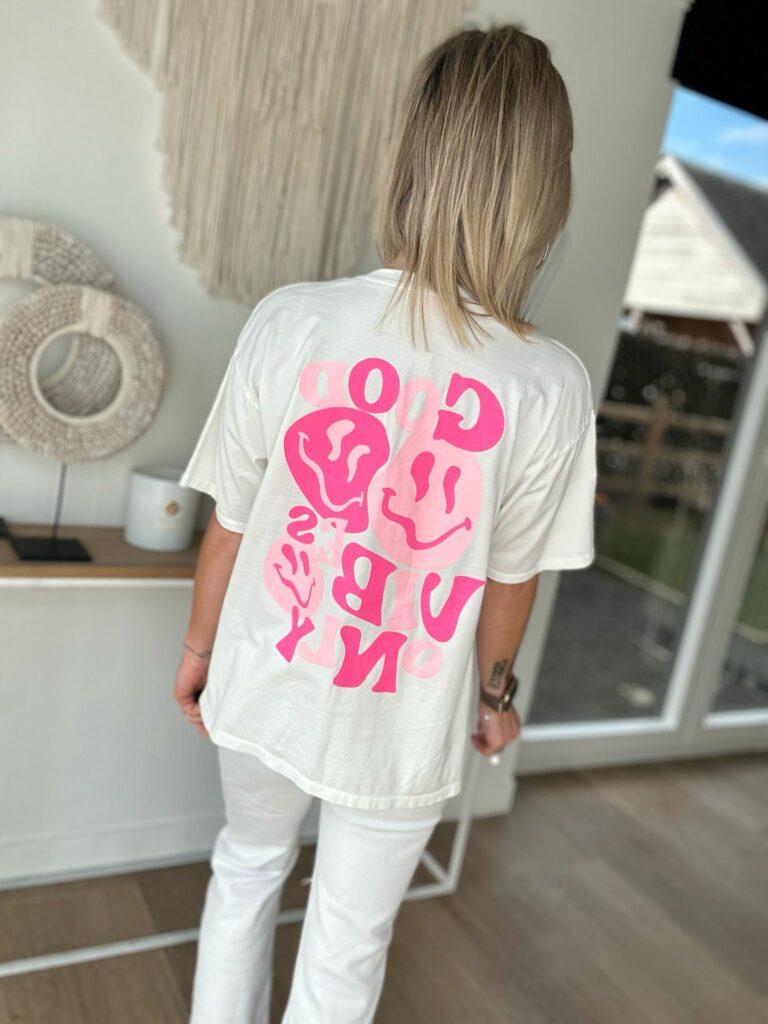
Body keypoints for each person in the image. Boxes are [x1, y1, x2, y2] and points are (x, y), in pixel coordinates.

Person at [174, 23, 597, 1024]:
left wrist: (198, 650)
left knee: (246, 866)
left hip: (267, 675)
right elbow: (510, 578)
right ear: (545, 191)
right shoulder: (550, 384)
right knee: (349, 938)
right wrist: (494, 696)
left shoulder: (293, 319)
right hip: (406, 715)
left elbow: (231, 525)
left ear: (411, 159)